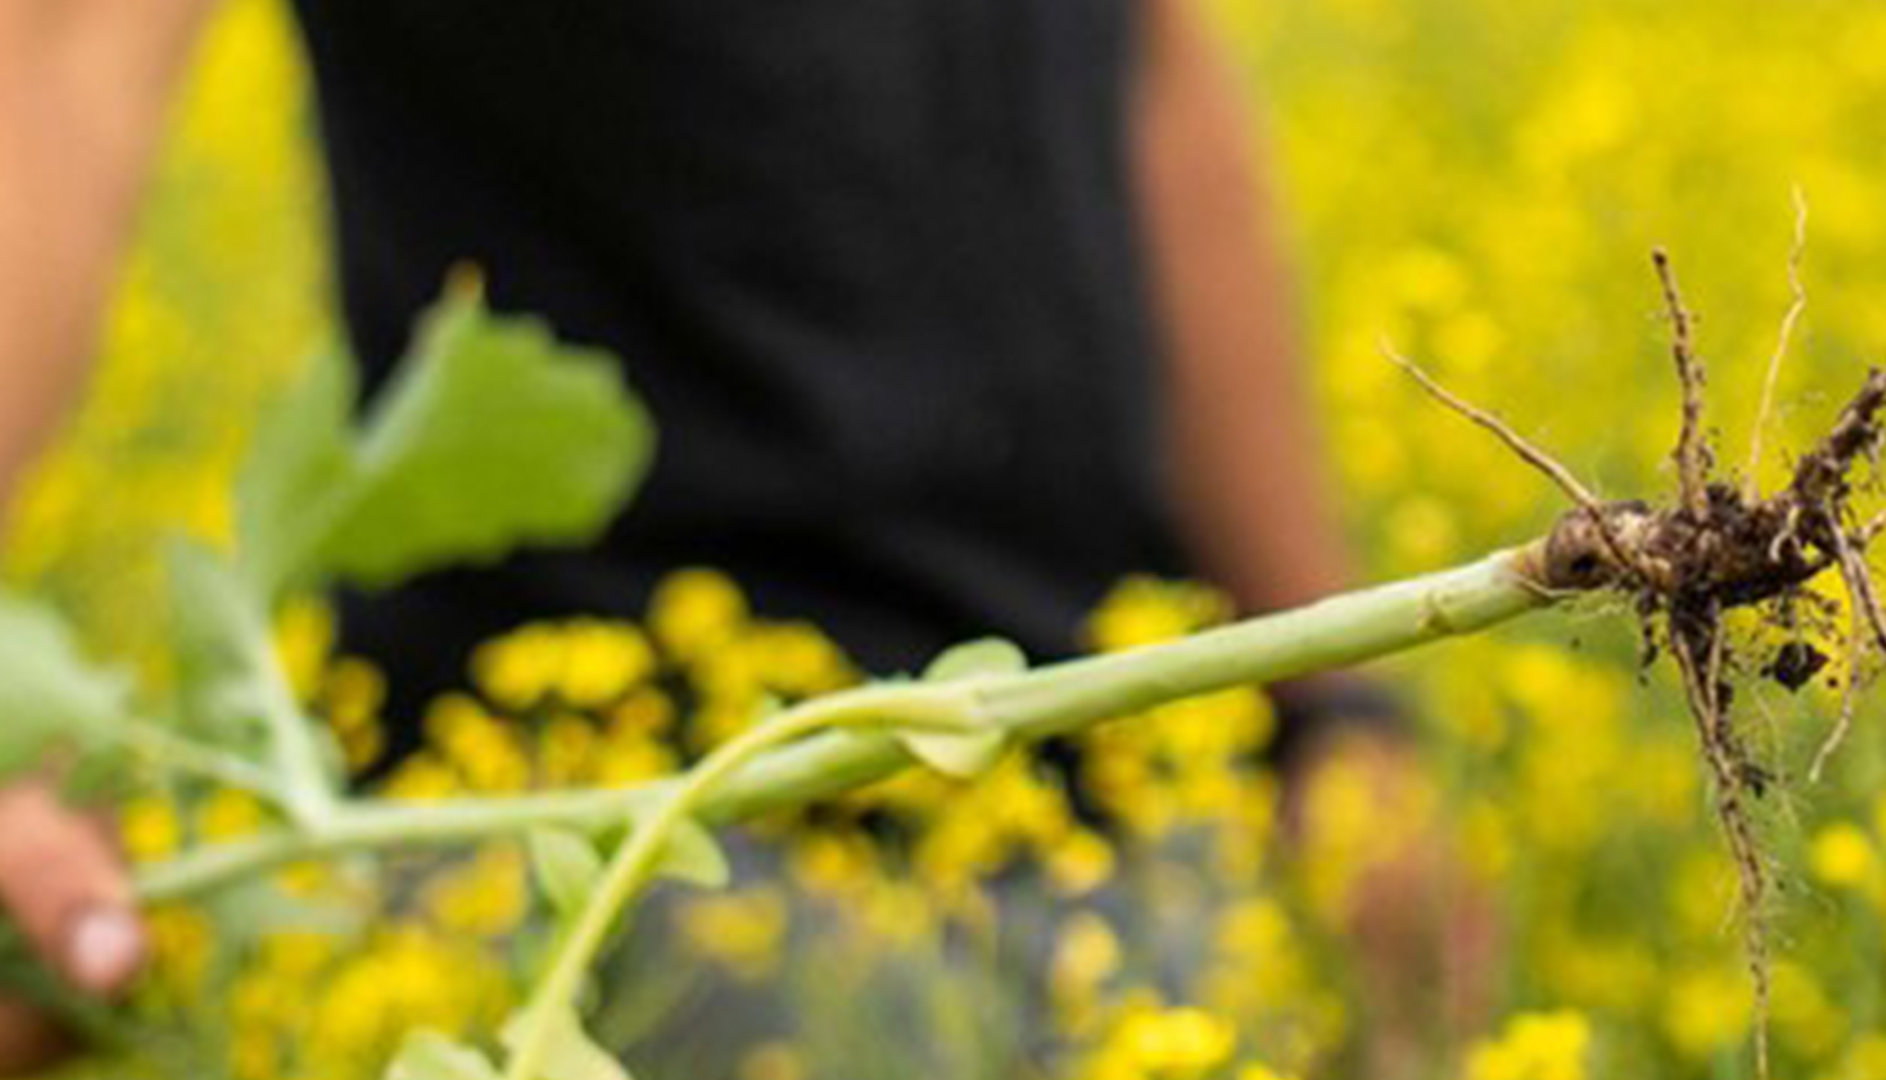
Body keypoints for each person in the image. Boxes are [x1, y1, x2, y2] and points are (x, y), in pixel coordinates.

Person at [0, 0, 1432, 1071]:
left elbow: (1143, 69)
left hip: (1148, 812)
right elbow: (57, 74)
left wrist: (1338, 710)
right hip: (629, 864)